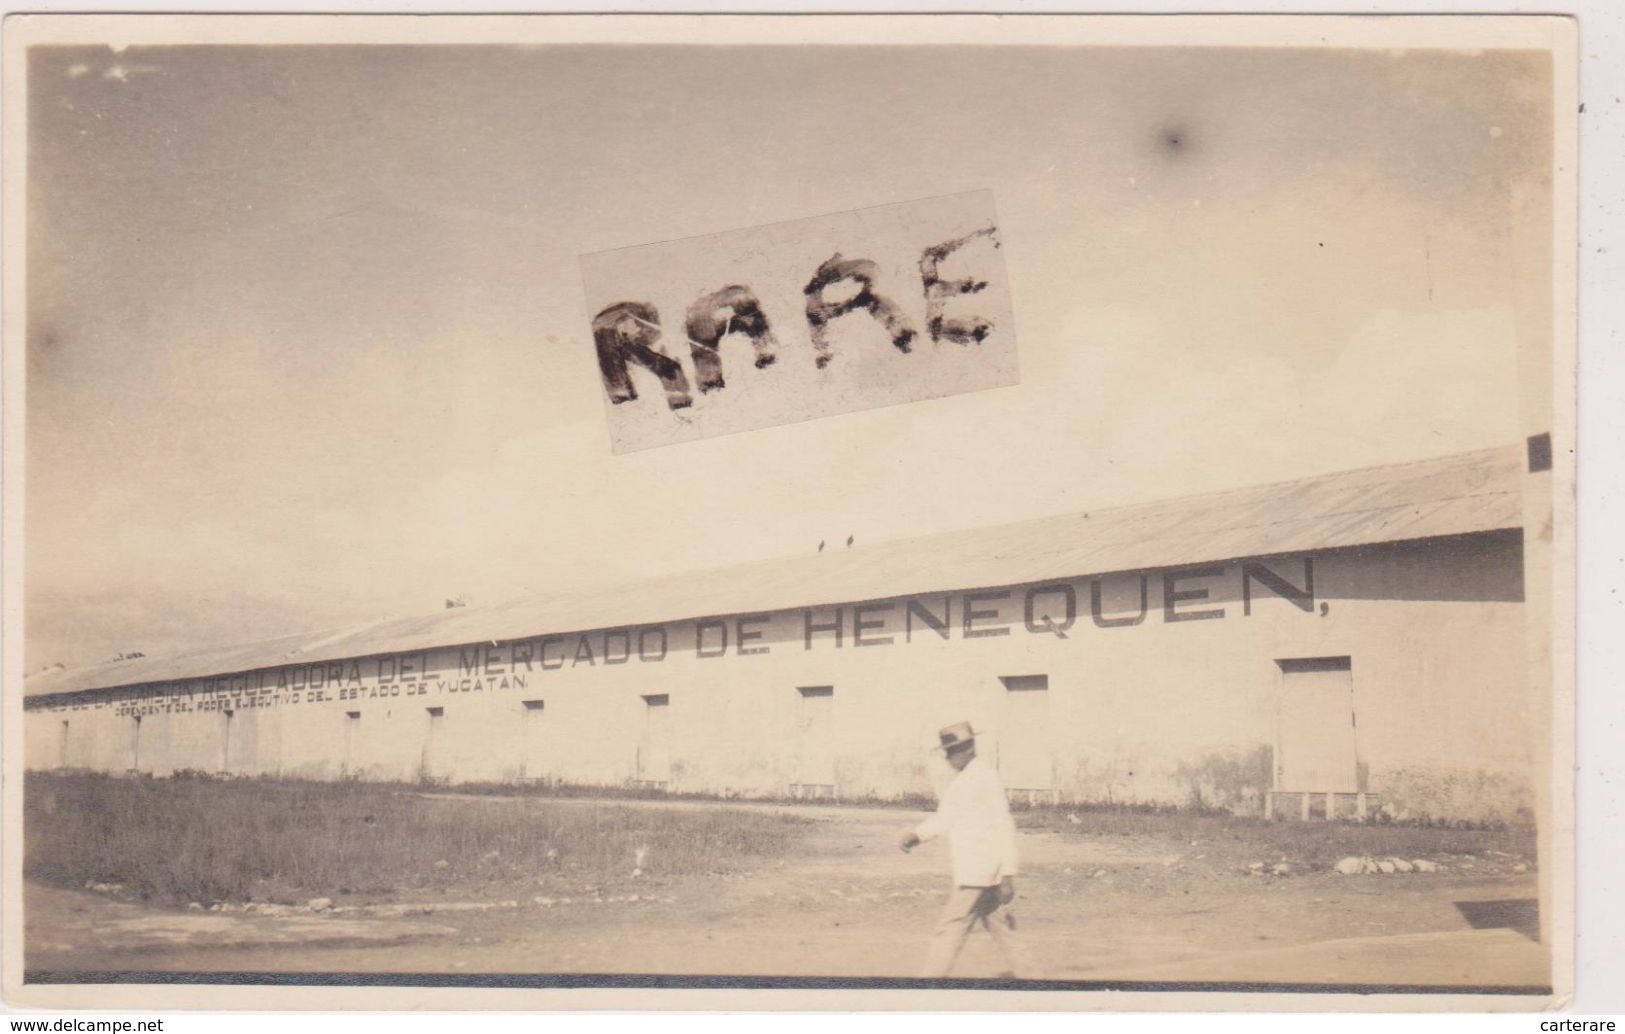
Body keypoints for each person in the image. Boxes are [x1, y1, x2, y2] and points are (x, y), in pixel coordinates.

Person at [899, 721, 1026, 979]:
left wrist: (1008, 874)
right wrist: (917, 835)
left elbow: (1004, 824)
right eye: (946, 751)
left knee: (951, 927)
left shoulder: (984, 778)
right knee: (1003, 931)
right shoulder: (966, 780)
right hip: (980, 871)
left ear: (968, 748)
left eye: (952, 751)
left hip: (979, 872)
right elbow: (945, 818)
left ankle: (929, 982)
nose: (948, 757)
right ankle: (1034, 979)